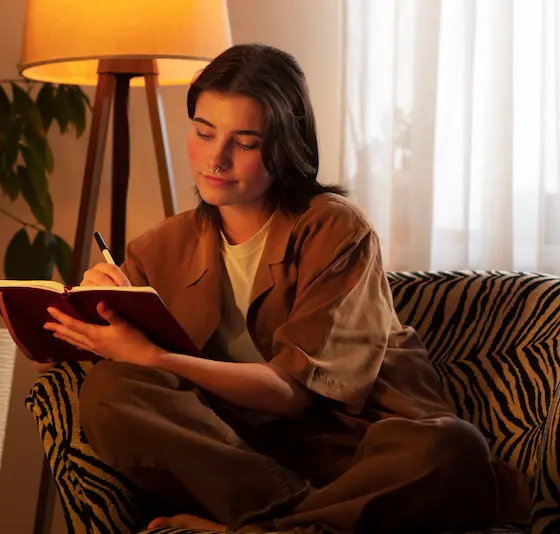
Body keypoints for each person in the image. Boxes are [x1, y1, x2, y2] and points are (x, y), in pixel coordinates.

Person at [40, 43, 532, 533]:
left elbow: (291, 394)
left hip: (356, 452)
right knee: (108, 392)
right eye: (204, 132)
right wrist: (90, 312)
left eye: (246, 142)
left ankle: (256, 528)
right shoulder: (158, 247)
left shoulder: (335, 229)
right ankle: (297, 521)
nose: (217, 158)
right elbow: (121, 373)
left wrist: (156, 357)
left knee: (453, 448)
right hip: (243, 459)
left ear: (284, 147)